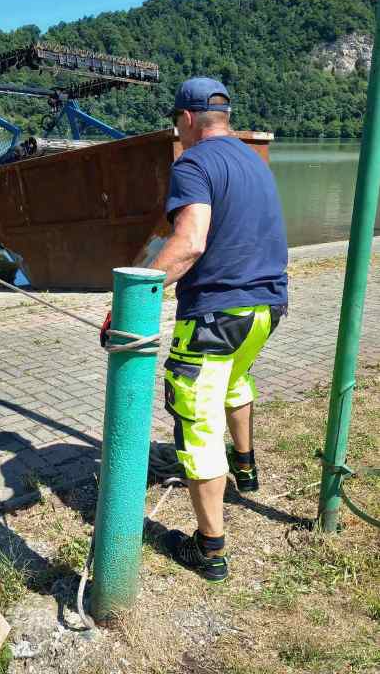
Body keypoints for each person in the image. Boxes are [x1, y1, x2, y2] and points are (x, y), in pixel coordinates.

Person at [148, 77, 287, 581]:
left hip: (216, 314)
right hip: (266, 308)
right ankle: (245, 469)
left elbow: (190, 241)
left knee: (195, 416)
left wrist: (137, 298)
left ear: (186, 120)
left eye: (176, 124)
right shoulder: (252, 159)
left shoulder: (192, 163)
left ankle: (209, 550)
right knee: (234, 380)